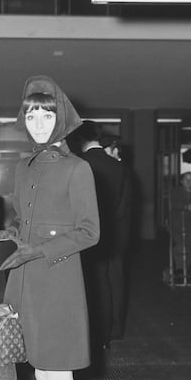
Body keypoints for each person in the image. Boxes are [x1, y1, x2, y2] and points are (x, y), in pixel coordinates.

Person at [0, 76, 99, 380]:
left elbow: (89, 232)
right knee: (41, 379)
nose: (38, 122)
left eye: (47, 113)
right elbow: (23, 219)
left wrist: (39, 249)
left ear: (62, 119)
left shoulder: (79, 168)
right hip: (27, 284)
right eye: (31, 114)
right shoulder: (23, 167)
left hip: (58, 283)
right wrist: (9, 237)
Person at [75, 121, 132, 349]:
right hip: (117, 234)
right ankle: (117, 328)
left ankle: (101, 334)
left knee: (97, 284)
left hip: (91, 234)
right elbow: (125, 203)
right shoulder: (120, 166)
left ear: (80, 140)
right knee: (116, 280)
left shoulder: (81, 165)